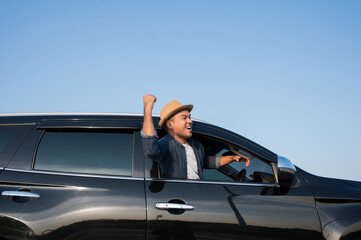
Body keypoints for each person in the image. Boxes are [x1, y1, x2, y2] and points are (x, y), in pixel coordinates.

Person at [141, 94, 250, 180]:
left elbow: (207, 162)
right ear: (170, 124)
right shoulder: (165, 144)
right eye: (184, 118)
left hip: (197, 194)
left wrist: (232, 158)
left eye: (190, 117)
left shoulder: (196, 145)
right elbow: (151, 151)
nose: (190, 121)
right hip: (177, 198)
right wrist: (148, 108)